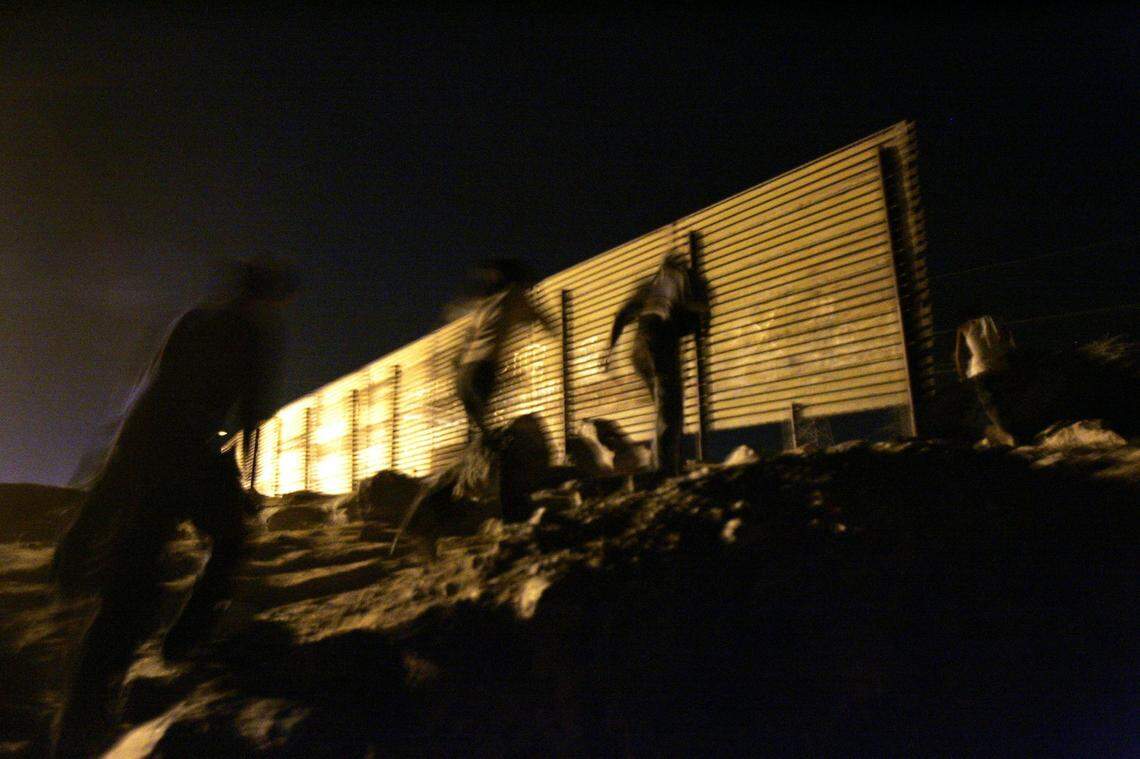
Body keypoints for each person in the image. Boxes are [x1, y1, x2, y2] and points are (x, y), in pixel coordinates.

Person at [50, 258, 297, 757]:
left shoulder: (191, 318)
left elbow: (148, 389)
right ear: (268, 299)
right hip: (184, 456)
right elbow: (251, 416)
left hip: (140, 451)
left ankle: (78, 725)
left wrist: (109, 477)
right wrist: (248, 481)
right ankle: (182, 644)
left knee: (128, 584)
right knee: (230, 541)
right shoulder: (252, 335)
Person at [603, 250, 709, 476]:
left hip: (639, 349)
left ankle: (666, 463)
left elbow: (621, 315)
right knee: (669, 410)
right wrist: (701, 316)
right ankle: (665, 469)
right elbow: (695, 309)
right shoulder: (677, 279)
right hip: (659, 341)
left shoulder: (647, 287)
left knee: (664, 410)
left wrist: (609, 351)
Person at [455, 259, 556, 436]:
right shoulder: (516, 296)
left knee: (475, 433)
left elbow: (465, 343)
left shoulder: (486, 304)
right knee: (486, 435)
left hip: (464, 374)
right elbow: (544, 320)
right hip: (483, 370)